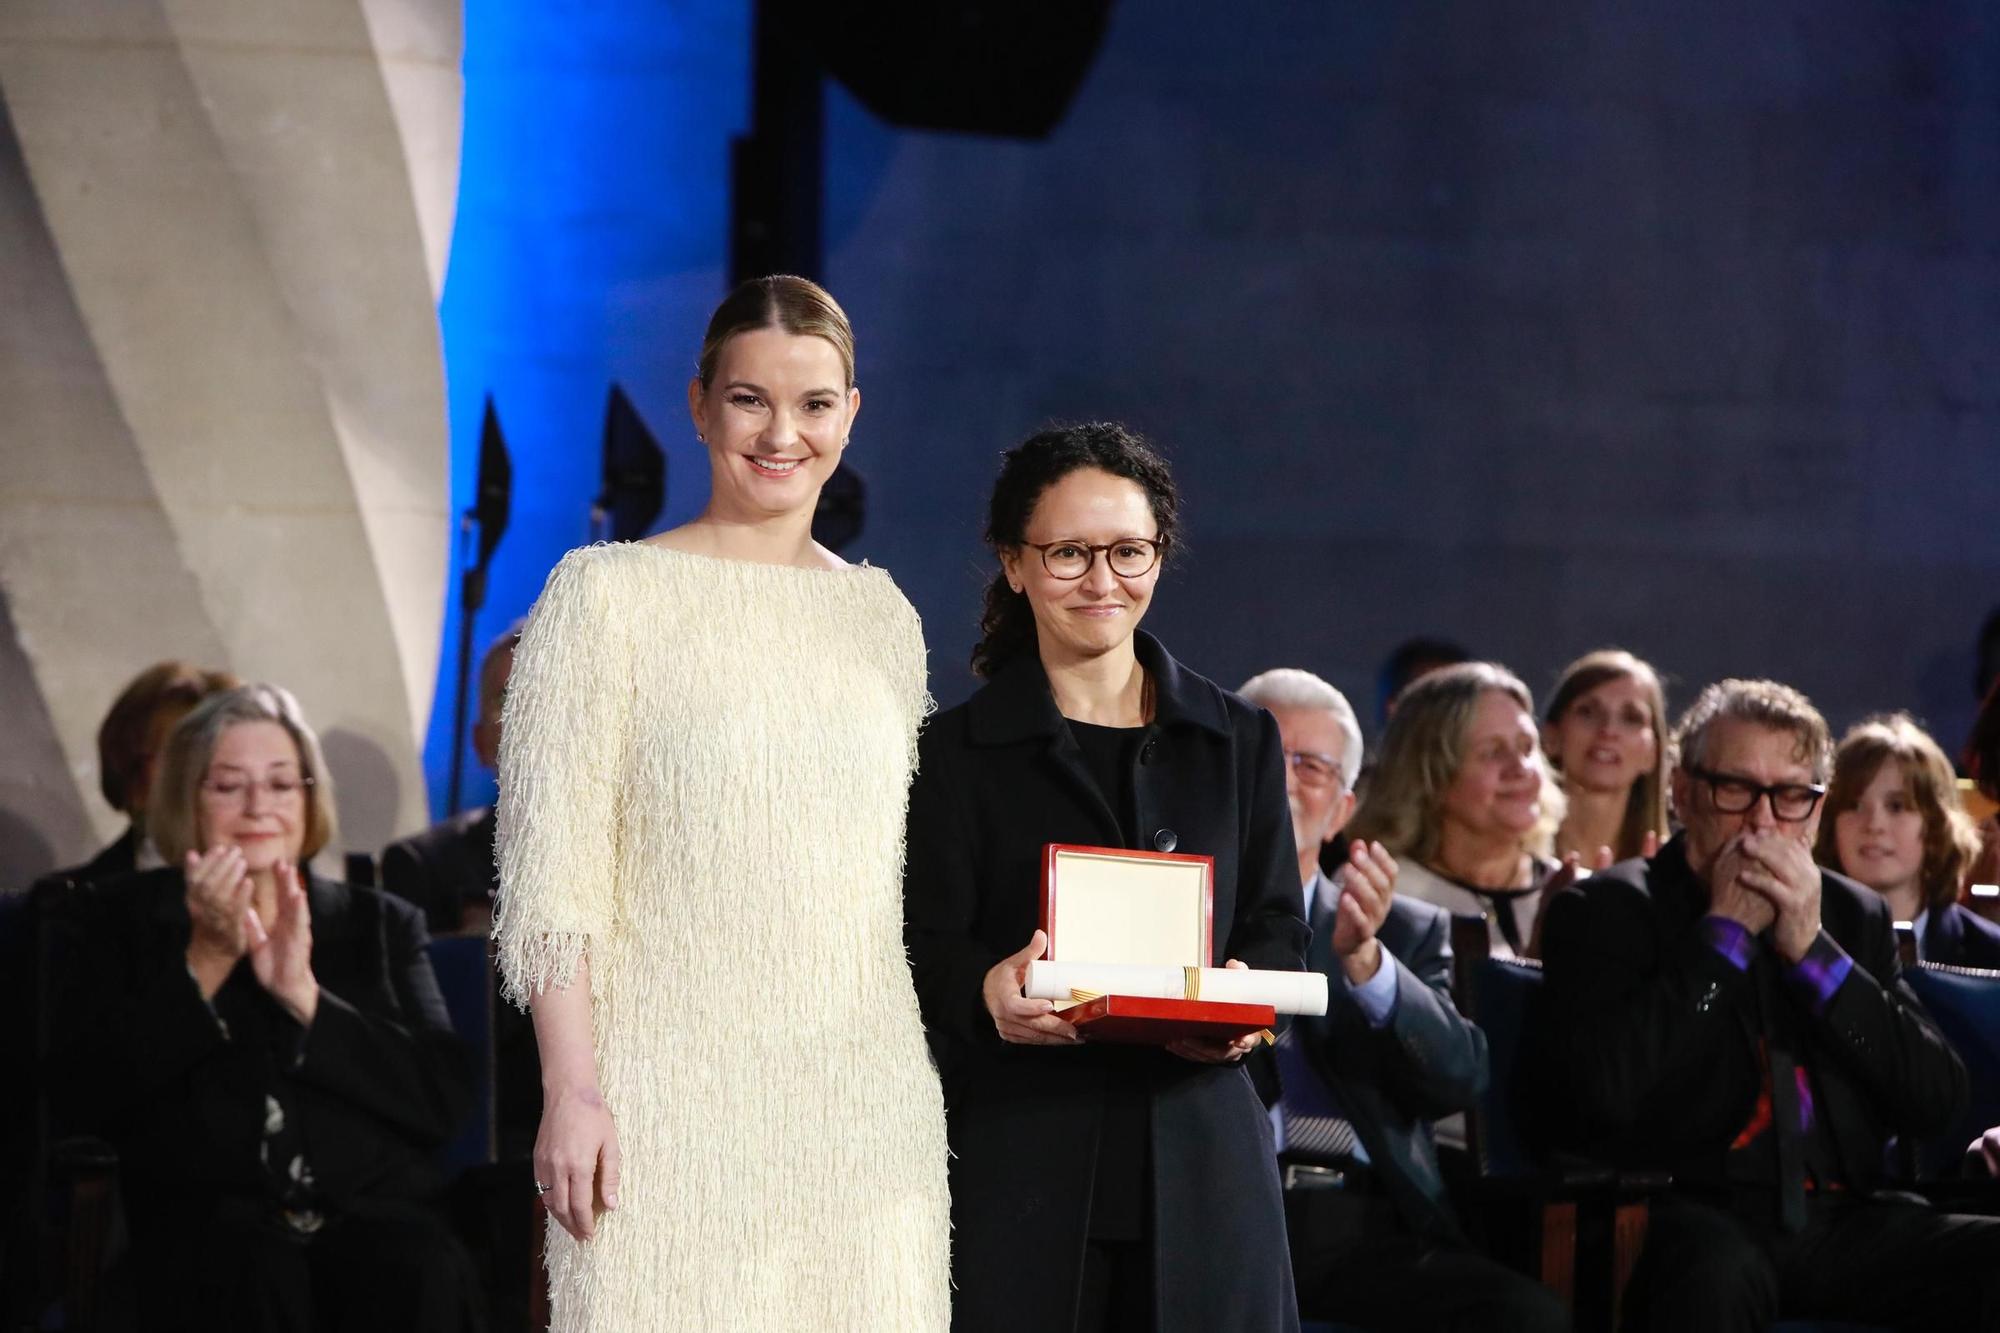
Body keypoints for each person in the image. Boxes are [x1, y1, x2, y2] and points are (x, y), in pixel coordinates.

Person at [492, 276, 948, 1330]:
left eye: (814, 404)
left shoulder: (881, 615)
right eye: (750, 400)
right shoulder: (601, 594)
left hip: (863, 1096)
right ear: (698, 405)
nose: (781, 433)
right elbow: (551, 877)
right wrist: (573, 1090)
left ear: (850, 414)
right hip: (660, 1098)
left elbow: (903, 872)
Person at [903, 423, 1307, 1333]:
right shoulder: (953, 753)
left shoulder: (1238, 737)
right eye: (1069, 553)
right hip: (1027, 1144)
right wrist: (986, 989)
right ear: (1014, 563)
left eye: (1129, 551)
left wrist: (1247, 1002)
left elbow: (1278, 920)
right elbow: (924, 942)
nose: (1102, 580)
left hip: (1203, 1143)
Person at [1539, 677, 2000, 1331]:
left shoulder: (1850, 914)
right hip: (1687, 1211)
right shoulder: (1608, 911)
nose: (1761, 821)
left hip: (1844, 1219)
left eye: (1789, 796)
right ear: (1682, 791)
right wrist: (1721, 938)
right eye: (1735, 789)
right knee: (1719, 1273)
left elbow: (1937, 1101)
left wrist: (1815, 955)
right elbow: (1602, 1092)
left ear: (1814, 812)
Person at [47, 684, 480, 1331]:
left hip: (371, 1222)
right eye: (228, 785)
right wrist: (207, 962)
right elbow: (84, 1098)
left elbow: (442, 1098)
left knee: (418, 1264)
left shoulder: (380, 923)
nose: (259, 806)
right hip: (213, 1235)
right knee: (247, 1267)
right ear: (186, 799)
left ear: (309, 799)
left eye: (281, 783)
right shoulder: (116, 919)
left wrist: (304, 996)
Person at [1236, 668, 1566, 1333]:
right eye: (1263, 755)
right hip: (1224, 1218)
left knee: (1527, 1316)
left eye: (1310, 765)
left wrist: (1367, 962)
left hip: (1362, 1224)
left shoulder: (1404, 928)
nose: (1283, 778)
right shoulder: (1178, 916)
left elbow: (1459, 1076)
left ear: (1343, 809)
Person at [1348, 662, 1568, 958]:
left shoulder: (1575, 892)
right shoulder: (1379, 897)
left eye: (1527, 747)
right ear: (1431, 775)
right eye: (1492, 752)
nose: (1521, 769)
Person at [1817, 713, 2000, 969]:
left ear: (1936, 824)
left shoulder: (1990, 955)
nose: (1874, 824)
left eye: (1896, 806)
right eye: (1853, 805)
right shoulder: (1798, 950)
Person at [35, 659, 239, 888]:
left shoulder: (279, 884)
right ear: (131, 774)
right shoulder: (67, 905)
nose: (207, 779)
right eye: (182, 760)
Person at [382, 625, 520, 936]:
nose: (532, 717)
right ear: (480, 743)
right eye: (509, 698)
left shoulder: (638, 859)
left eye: (550, 696)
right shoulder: (424, 868)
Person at [1542, 649, 1669, 867]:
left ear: (1653, 754)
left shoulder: (1673, 874)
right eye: (1588, 712)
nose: (1608, 730)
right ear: (1551, 737)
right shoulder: (1511, 862)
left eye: (1631, 718)